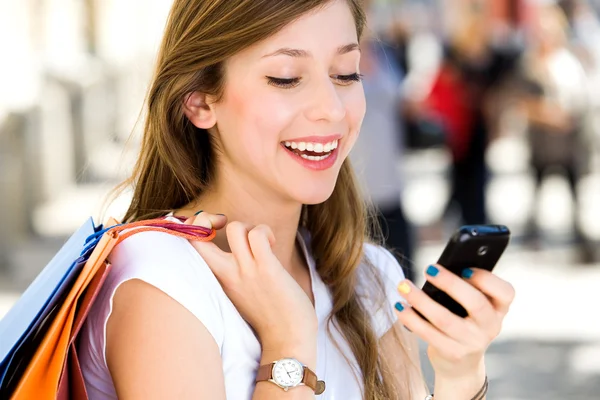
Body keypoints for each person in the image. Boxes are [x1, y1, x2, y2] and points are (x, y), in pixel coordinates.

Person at [78, 1, 515, 399]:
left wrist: (460, 375)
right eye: (286, 78)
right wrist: (287, 342)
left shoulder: (369, 279)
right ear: (199, 101)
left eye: (346, 73)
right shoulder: (159, 280)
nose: (332, 108)